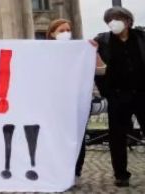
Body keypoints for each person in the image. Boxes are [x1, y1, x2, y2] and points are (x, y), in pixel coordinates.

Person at [91, 7, 145, 188]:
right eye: (109, 19)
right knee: (117, 138)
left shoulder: (144, 38)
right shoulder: (102, 40)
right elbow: (94, 66)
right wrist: (106, 91)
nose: (113, 21)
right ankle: (121, 175)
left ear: (128, 21)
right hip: (118, 96)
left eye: (117, 18)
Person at [46, 18, 106, 181]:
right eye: (61, 31)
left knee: (78, 135)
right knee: (55, 136)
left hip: (79, 102)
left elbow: (101, 71)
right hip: (55, 103)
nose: (66, 33)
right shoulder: (44, 51)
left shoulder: (81, 49)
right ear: (52, 34)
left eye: (68, 30)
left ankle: (76, 170)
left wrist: (95, 52)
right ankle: (56, 169)